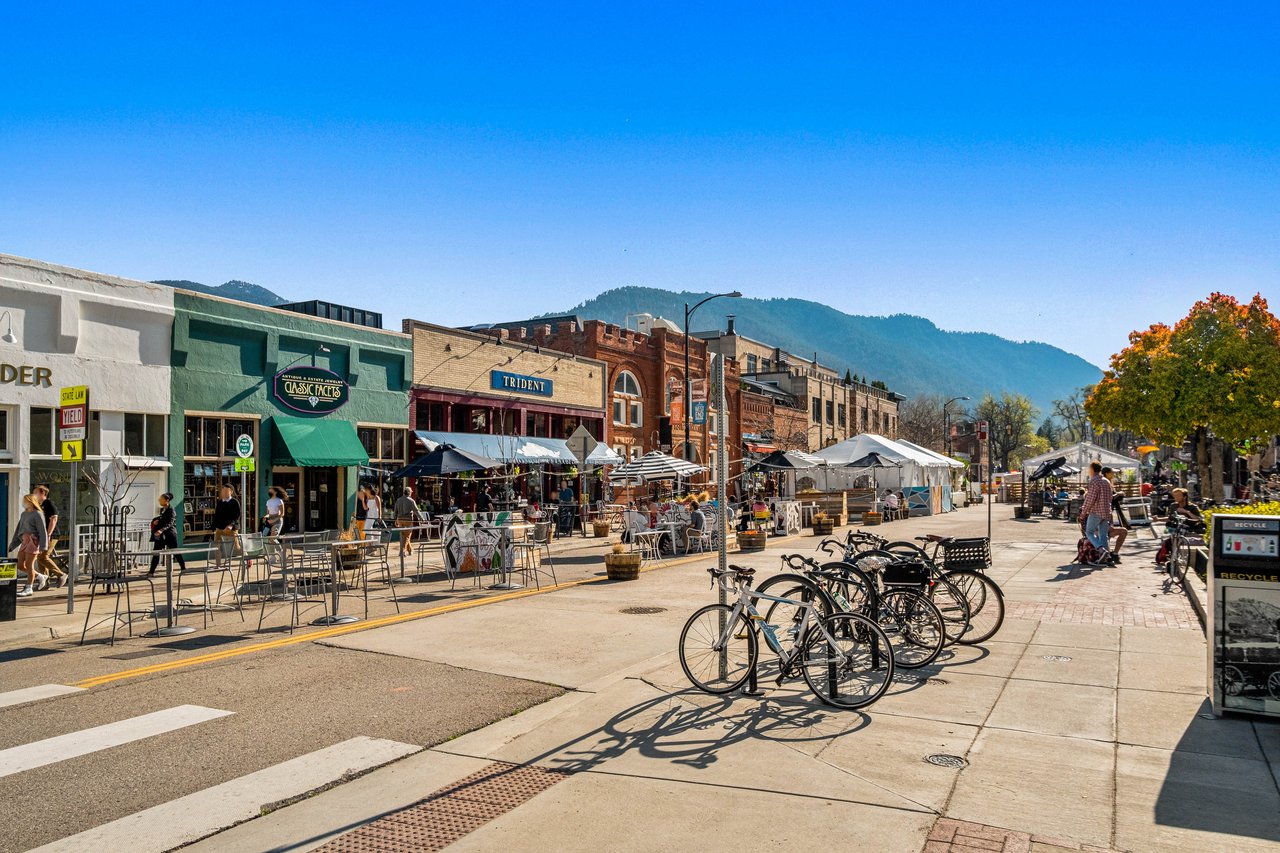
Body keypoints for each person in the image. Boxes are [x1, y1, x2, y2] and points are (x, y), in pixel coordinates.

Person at [9, 494, 49, 596]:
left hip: (33, 541)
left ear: (31, 501)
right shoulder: (24, 514)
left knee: (29, 565)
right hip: (24, 540)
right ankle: (40, 576)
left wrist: (43, 546)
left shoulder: (38, 514)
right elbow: (19, 529)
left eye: (25, 501)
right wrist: (13, 544)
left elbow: (42, 531)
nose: (24, 503)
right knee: (20, 564)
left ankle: (28, 588)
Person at [32, 484, 67, 588]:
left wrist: (48, 534)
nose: (34, 495)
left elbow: (54, 518)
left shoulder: (48, 503)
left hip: (52, 534)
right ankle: (45, 582)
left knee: (43, 556)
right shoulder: (39, 505)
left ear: (43, 493)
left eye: (36, 493)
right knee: (40, 557)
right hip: (43, 535)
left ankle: (61, 575)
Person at [1078, 462, 1114, 561]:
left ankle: (1101, 550)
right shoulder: (1106, 481)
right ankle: (1108, 558)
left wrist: (1083, 513)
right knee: (1103, 535)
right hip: (1106, 512)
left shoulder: (1094, 481)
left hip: (1096, 512)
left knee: (1089, 532)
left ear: (1093, 469)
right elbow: (1110, 498)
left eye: (1089, 469)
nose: (1088, 471)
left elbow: (1090, 499)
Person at [148, 493, 187, 576]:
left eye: (161, 499)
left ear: (167, 501)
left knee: (175, 551)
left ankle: (183, 567)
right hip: (160, 536)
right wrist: (155, 521)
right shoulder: (162, 510)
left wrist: (161, 530)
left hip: (169, 535)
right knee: (156, 552)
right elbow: (162, 519)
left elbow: (170, 523)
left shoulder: (171, 510)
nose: (159, 500)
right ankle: (151, 571)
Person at [212, 484, 241, 555]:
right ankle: (218, 566)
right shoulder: (220, 503)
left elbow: (237, 516)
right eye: (223, 490)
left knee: (236, 547)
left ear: (231, 491)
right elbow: (216, 516)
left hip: (231, 529)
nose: (223, 492)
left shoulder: (235, 502)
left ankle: (247, 558)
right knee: (217, 547)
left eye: (226, 491)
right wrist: (214, 528)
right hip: (220, 528)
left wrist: (231, 525)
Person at [394, 486, 420, 555]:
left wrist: (395, 520)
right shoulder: (411, 501)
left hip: (400, 519)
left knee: (403, 536)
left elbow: (395, 511)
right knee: (407, 536)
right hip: (408, 520)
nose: (411, 493)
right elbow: (416, 511)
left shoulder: (398, 500)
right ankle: (402, 551)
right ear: (409, 492)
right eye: (411, 492)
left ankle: (410, 550)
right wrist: (422, 519)